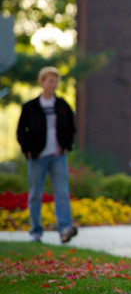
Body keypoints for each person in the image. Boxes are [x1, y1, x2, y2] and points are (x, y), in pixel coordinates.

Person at [16, 66, 78, 244]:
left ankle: (65, 229)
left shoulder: (62, 105)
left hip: (58, 156)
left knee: (62, 193)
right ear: (42, 82)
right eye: (51, 81)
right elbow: (21, 131)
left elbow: (71, 128)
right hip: (37, 157)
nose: (54, 84)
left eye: (56, 81)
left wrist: (65, 147)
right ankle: (36, 232)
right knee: (36, 193)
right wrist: (28, 150)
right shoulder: (31, 107)